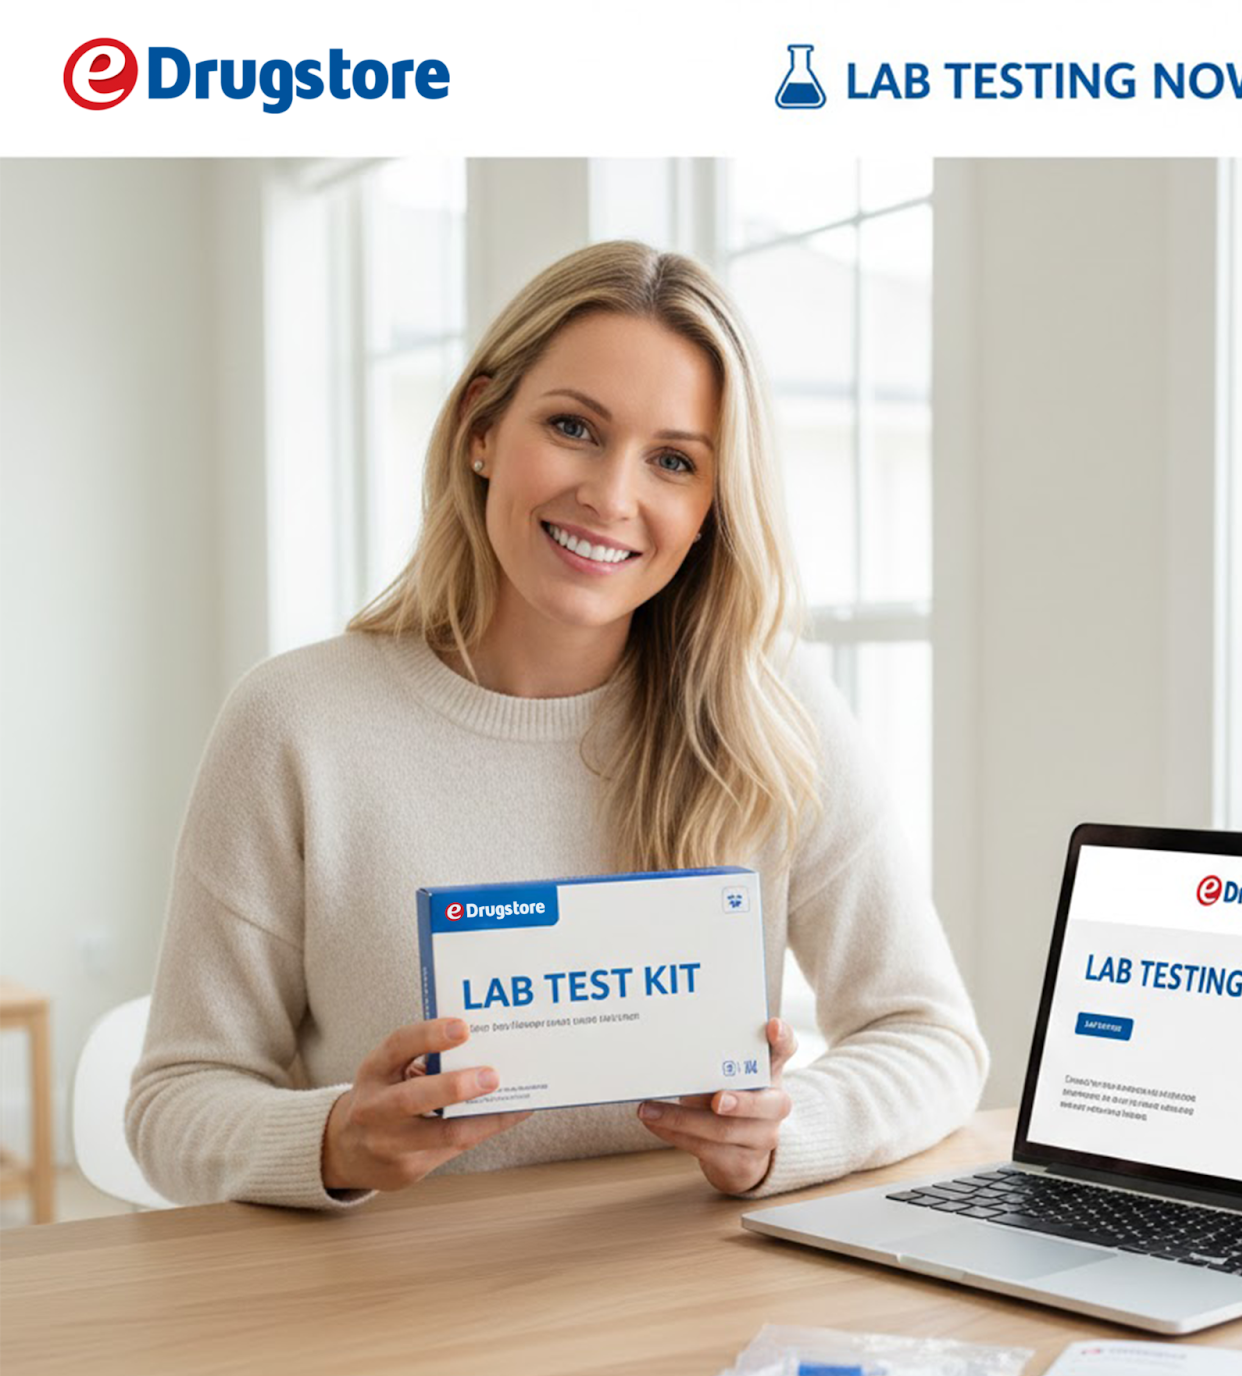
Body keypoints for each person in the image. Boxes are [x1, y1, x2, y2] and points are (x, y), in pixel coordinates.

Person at [128, 240, 988, 1210]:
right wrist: (333, 1138)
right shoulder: (294, 724)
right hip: (390, 1319)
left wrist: (781, 1136)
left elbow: (931, 1037)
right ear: (481, 427)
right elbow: (173, 1103)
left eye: (672, 460)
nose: (612, 496)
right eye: (575, 427)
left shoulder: (773, 711)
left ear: (710, 505)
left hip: (692, 1300)